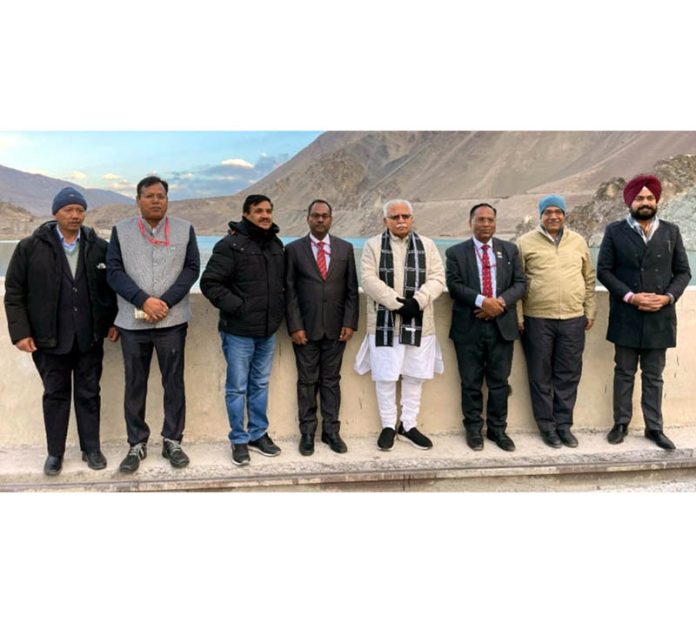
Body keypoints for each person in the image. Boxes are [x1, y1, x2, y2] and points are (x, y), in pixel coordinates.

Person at [4, 187, 118, 475]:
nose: (75, 215)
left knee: (89, 393)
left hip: (89, 337)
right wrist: (20, 332)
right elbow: (14, 292)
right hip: (49, 339)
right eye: (69, 210)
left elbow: (112, 289)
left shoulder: (99, 247)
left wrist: (113, 321)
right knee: (55, 395)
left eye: (80, 210)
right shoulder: (30, 247)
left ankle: (91, 449)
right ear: (56, 213)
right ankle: (54, 453)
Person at [106, 175, 200, 473]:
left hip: (172, 322)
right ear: (138, 199)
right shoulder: (121, 231)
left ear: (167, 199)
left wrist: (166, 302)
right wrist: (143, 300)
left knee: (173, 382)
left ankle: (173, 440)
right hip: (132, 325)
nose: (156, 200)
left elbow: (192, 268)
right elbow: (114, 271)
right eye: (150, 195)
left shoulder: (185, 229)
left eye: (161, 195)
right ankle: (137, 443)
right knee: (135, 383)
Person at [597, 174, 690, 450]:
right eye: (640, 198)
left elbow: (683, 272)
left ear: (656, 200)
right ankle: (620, 424)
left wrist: (667, 298)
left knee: (654, 375)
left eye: (650, 198)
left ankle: (654, 428)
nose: (645, 202)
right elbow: (603, 270)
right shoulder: (615, 231)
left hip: (660, 317)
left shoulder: (671, 232)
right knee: (623, 372)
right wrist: (631, 296)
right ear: (630, 201)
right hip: (627, 315)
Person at [200, 194, 285, 466]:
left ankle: (258, 434)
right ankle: (238, 439)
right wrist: (238, 306)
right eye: (259, 211)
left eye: (269, 210)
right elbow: (210, 283)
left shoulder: (276, 245)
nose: (265, 215)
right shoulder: (230, 245)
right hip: (238, 331)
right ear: (246, 214)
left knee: (259, 384)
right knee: (237, 388)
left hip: (267, 330)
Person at [355, 199, 445, 451]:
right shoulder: (373, 246)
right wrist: (397, 304)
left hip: (420, 323)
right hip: (384, 325)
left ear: (412, 218)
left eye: (405, 216)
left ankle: (408, 425)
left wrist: (416, 302)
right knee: (385, 377)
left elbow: (438, 278)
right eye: (395, 217)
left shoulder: (427, 246)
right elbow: (369, 279)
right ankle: (387, 425)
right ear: (385, 221)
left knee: (414, 376)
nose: (401, 220)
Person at [516, 195, 597, 448]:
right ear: (540, 215)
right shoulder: (524, 243)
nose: (553, 216)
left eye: (558, 212)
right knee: (540, 376)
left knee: (568, 375)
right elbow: (516, 282)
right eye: (548, 212)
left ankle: (564, 426)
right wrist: (519, 316)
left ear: (564, 214)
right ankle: (547, 427)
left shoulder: (578, 241)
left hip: (573, 319)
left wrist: (590, 310)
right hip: (537, 319)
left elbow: (589, 278)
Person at [446, 203, 526, 452]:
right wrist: (483, 301)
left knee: (499, 382)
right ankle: (473, 430)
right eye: (480, 220)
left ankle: (497, 430)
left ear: (495, 223)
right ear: (470, 222)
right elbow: (454, 285)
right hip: (469, 327)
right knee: (470, 382)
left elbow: (521, 283)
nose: (486, 224)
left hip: (502, 327)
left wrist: (499, 303)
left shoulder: (510, 250)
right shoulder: (455, 253)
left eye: (490, 220)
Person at [285, 199, 359, 456]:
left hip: (337, 329)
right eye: (315, 215)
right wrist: (295, 326)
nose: (320, 220)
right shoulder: (293, 250)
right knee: (306, 381)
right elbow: (290, 292)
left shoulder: (345, 248)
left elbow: (352, 290)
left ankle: (331, 432)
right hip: (305, 329)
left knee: (331, 381)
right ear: (307, 218)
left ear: (331, 218)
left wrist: (350, 322)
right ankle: (307, 433)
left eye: (324, 216)